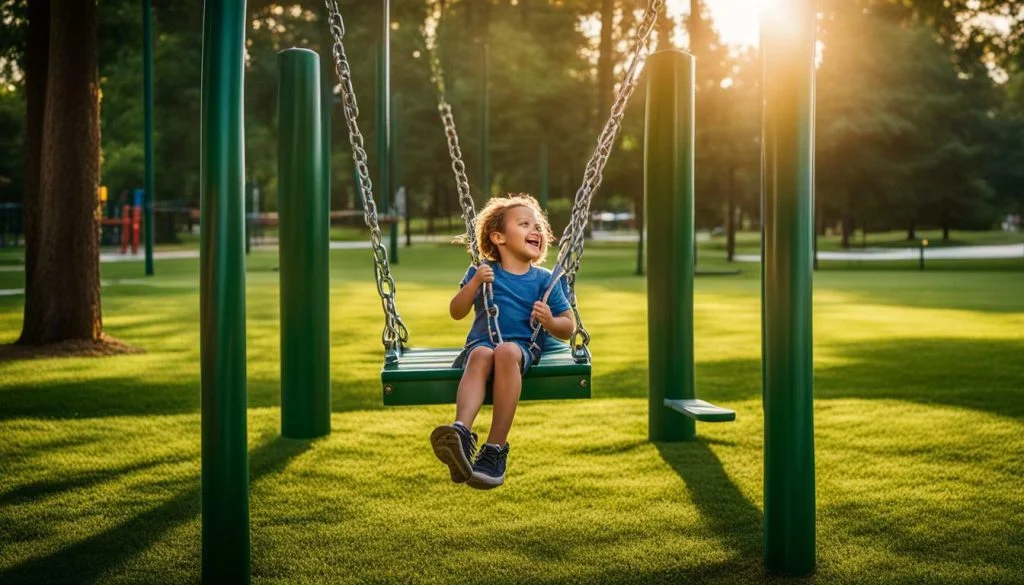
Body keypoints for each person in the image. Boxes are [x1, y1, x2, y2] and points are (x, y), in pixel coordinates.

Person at [431, 194, 575, 489]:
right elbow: (456, 312)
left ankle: (495, 449)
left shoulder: (545, 280)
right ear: (498, 237)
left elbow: (568, 326)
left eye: (538, 226)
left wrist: (549, 320)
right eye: (524, 224)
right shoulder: (482, 272)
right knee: (482, 354)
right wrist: (473, 284)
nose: (535, 231)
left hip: (520, 350)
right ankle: (460, 433)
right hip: (481, 347)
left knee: (506, 351)